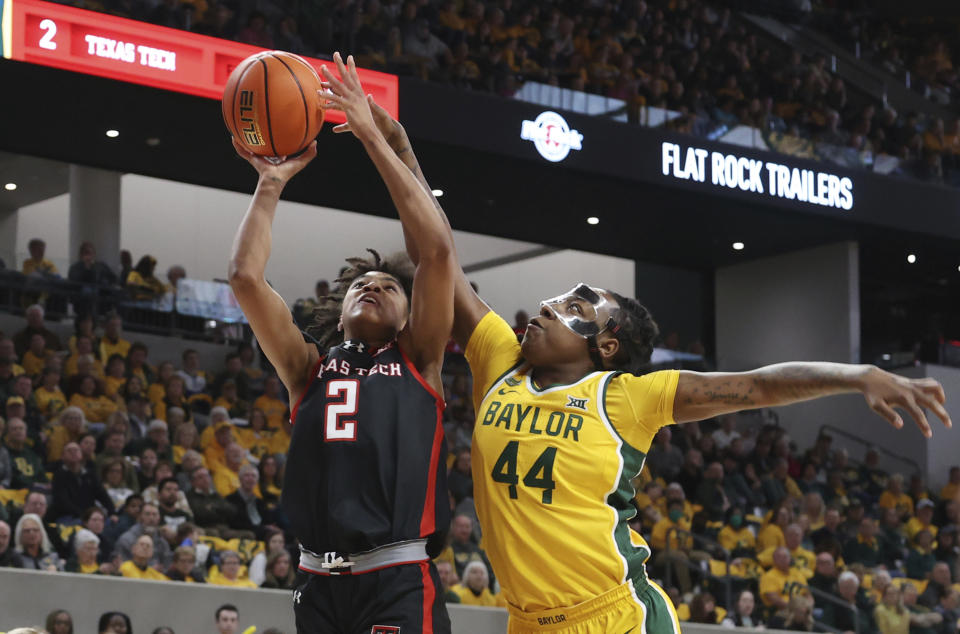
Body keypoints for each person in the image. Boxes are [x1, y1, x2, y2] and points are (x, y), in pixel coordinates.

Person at [366, 78, 953, 632]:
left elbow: (760, 386)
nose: (546, 306)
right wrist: (399, 149)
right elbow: (435, 256)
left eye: (575, 306)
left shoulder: (626, 398)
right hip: (528, 620)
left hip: (620, 616)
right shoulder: (499, 360)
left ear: (608, 345)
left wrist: (858, 374)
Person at [228, 53, 455, 633]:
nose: (373, 287)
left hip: (396, 577)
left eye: (387, 287)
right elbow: (245, 280)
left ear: (411, 315)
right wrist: (269, 184)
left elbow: (437, 253)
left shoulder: (419, 359)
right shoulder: (310, 369)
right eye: (362, 283)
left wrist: (372, 136)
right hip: (316, 583)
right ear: (342, 306)